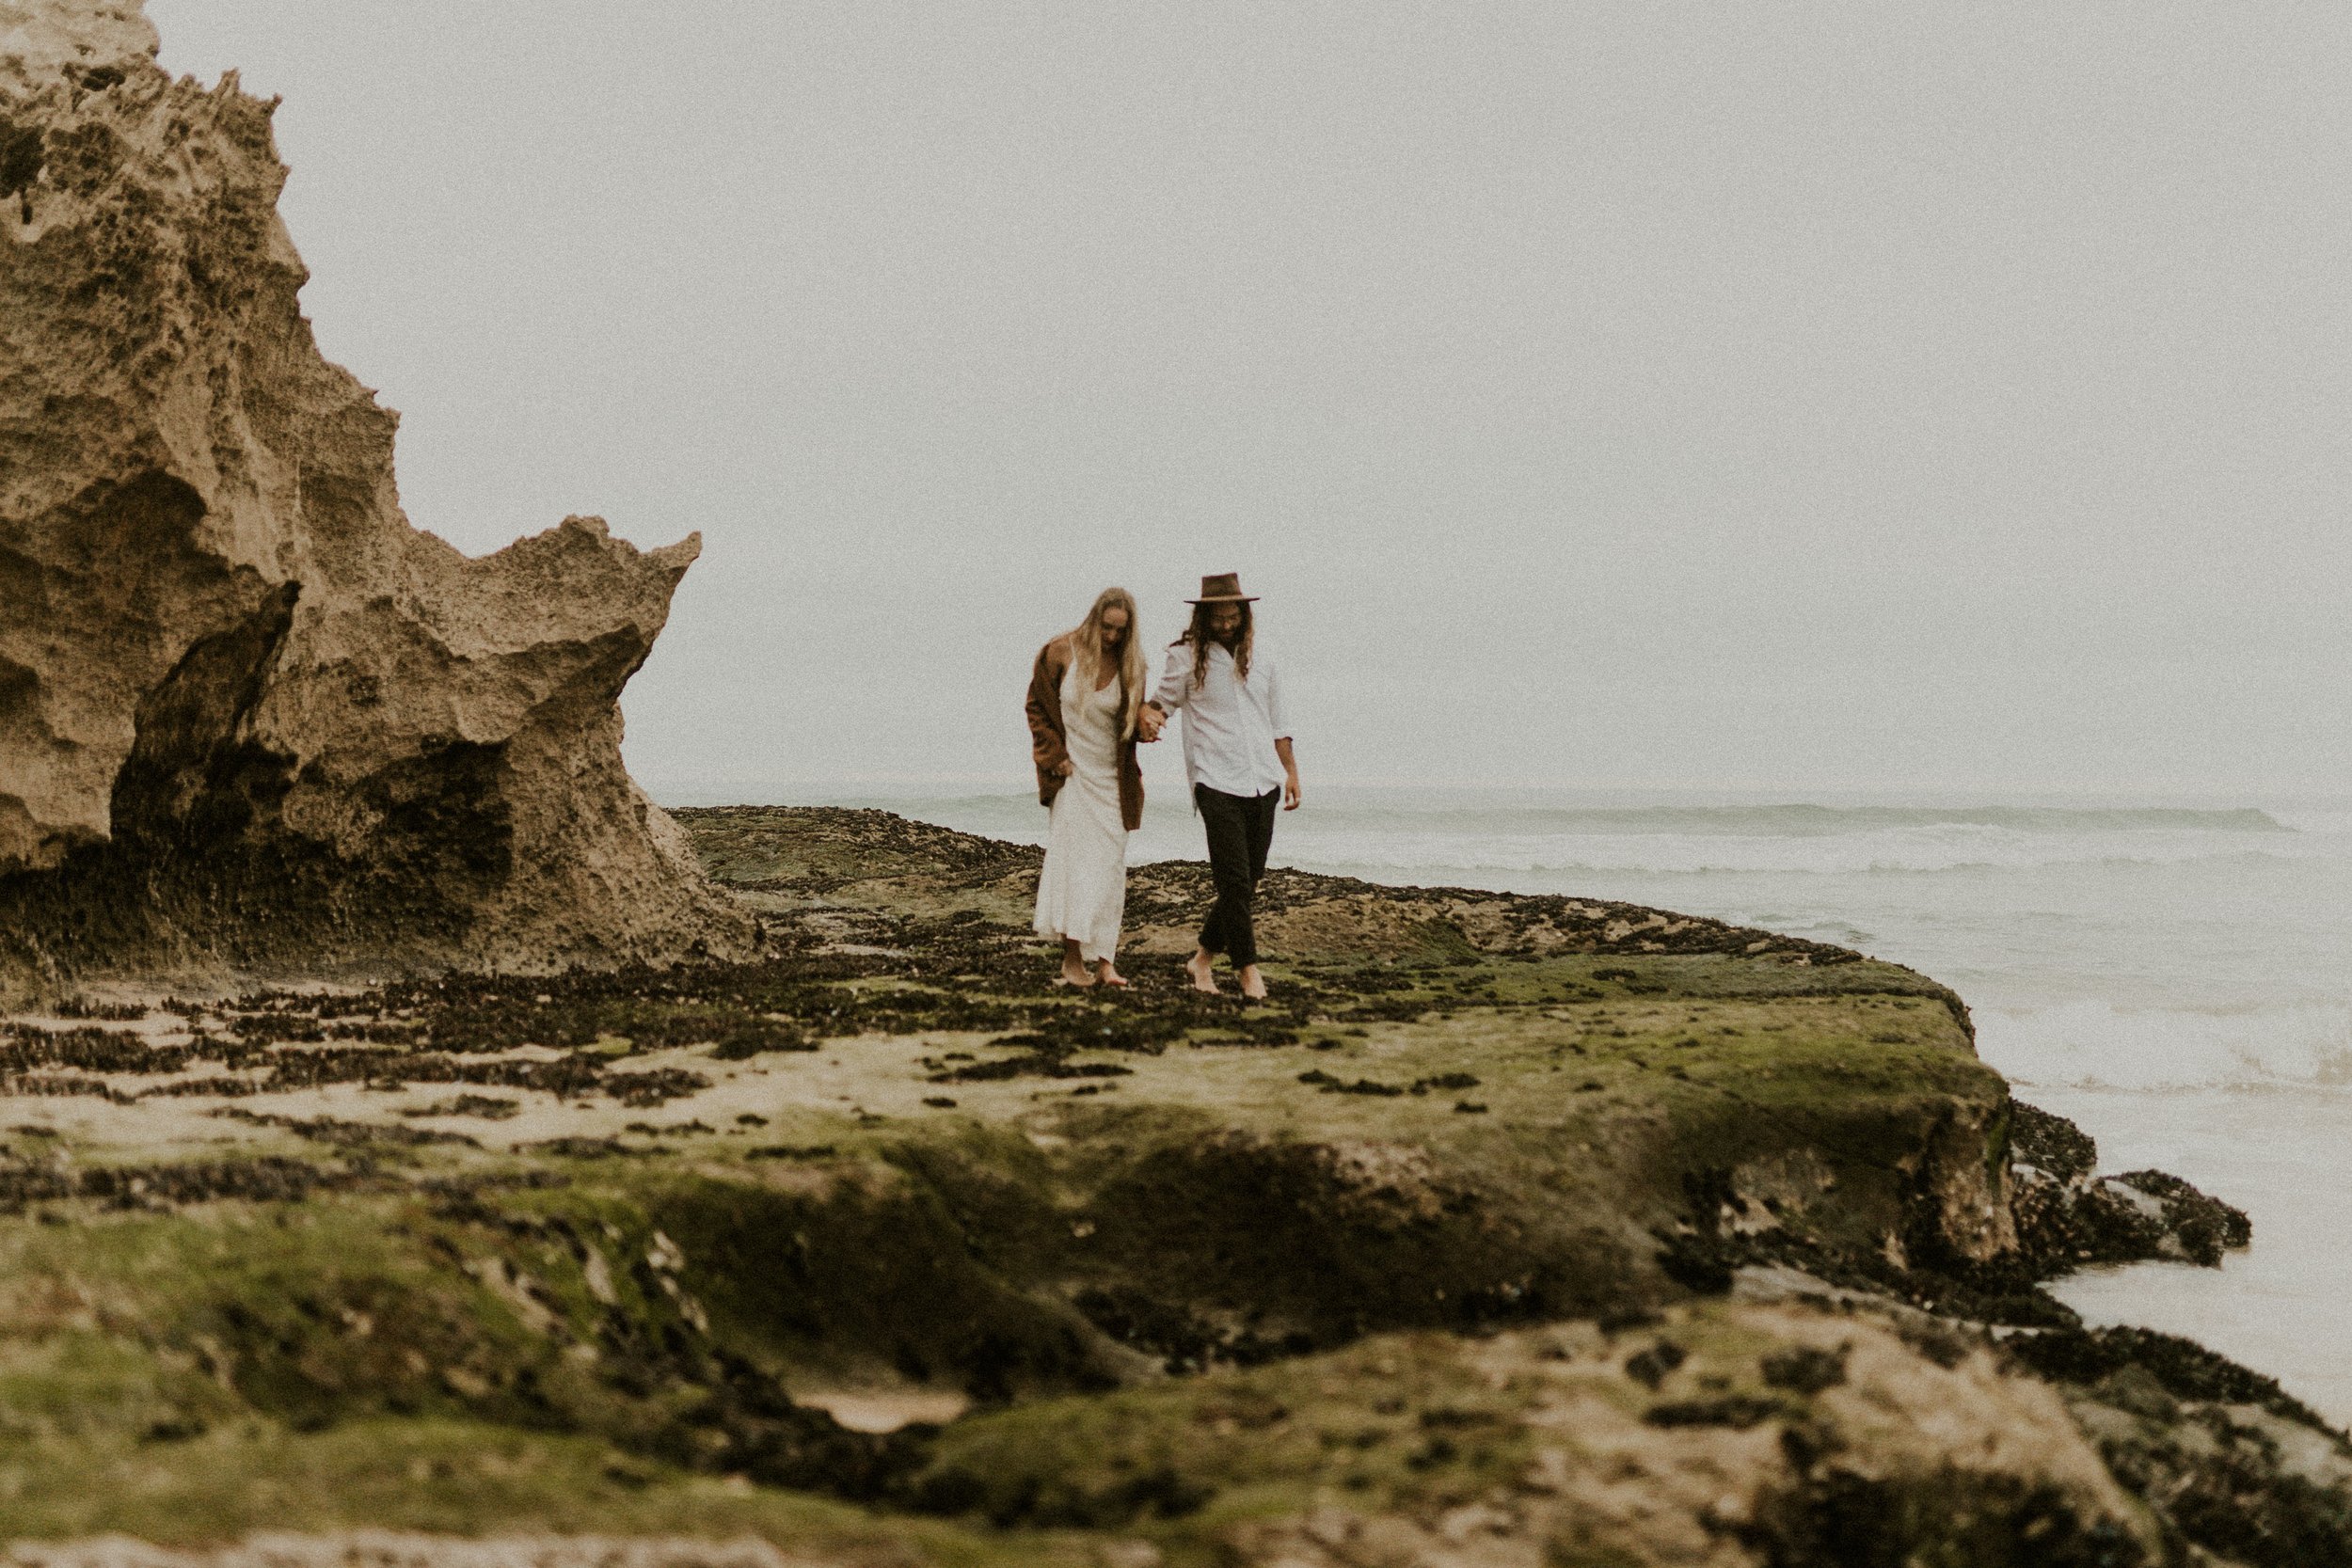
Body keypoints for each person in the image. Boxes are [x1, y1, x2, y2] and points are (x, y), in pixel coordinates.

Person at [1137, 572, 1300, 999]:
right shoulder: (1185, 657)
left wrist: (1292, 773)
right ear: (1204, 616)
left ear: (1244, 615)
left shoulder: (1262, 657)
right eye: (1219, 618)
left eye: (1233, 617)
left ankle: (1202, 959)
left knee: (1247, 882)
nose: (1227, 624)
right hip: (1214, 779)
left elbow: (1279, 722)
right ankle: (1248, 970)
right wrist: (1147, 719)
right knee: (1232, 882)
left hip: (1263, 779)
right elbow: (1162, 703)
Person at [1026, 588, 1148, 987]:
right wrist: (1052, 755)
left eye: (1120, 631)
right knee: (1074, 868)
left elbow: (1131, 730)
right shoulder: (1060, 652)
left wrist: (1146, 725)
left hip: (1113, 782)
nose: (1111, 637)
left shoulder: (1132, 665)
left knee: (1110, 871)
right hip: (1072, 778)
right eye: (1106, 627)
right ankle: (1072, 960)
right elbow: (1037, 709)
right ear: (1094, 618)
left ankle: (1106, 962)